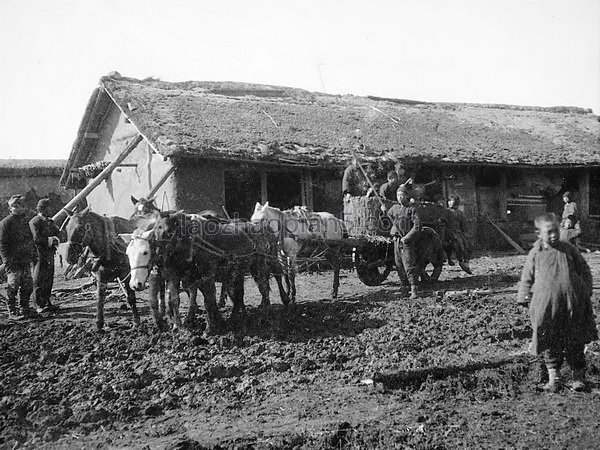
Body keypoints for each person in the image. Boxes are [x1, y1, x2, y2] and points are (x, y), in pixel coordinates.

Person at [517, 212, 597, 392]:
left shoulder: (568, 249)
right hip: (547, 307)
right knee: (550, 341)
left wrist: (586, 291)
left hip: (572, 304)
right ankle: (555, 376)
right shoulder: (535, 253)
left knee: (575, 341)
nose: (554, 235)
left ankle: (578, 377)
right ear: (539, 234)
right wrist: (523, 296)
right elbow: (526, 277)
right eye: (549, 232)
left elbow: (584, 270)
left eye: (556, 231)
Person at [0, 195, 38, 320]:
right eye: (13, 206)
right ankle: (12, 311)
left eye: (19, 206)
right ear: (10, 208)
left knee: (27, 284)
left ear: (23, 207)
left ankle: (24, 308)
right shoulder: (6, 223)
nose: (16, 208)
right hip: (12, 261)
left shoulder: (26, 221)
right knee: (13, 285)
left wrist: (33, 255)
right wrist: (6, 261)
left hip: (25, 259)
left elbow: (30, 240)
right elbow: (3, 244)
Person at [381, 184, 422, 299]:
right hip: (396, 241)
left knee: (408, 265)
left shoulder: (411, 209)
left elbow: (417, 226)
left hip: (406, 242)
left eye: (402, 195)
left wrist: (407, 237)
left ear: (406, 196)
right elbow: (386, 222)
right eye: (398, 195)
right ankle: (404, 287)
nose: (400, 197)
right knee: (399, 265)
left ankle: (414, 289)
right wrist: (384, 212)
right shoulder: (394, 209)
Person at [29, 198, 61, 313]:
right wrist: (51, 239)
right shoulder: (34, 222)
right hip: (39, 254)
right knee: (39, 279)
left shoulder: (50, 221)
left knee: (49, 278)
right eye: (49, 208)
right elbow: (37, 239)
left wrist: (56, 237)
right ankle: (38, 305)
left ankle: (47, 302)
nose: (51, 210)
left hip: (49, 253)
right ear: (42, 209)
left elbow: (57, 232)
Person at [445, 194, 472, 274]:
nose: (451, 203)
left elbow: (464, 225)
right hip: (448, 233)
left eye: (454, 202)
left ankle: (465, 262)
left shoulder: (459, 213)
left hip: (456, 232)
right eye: (450, 201)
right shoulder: (446, 212)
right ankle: (461, 261)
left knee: (467, 245)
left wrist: (464, 232)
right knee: (460, 244)